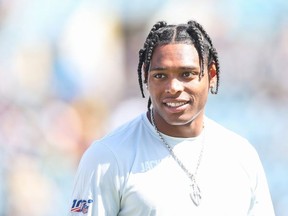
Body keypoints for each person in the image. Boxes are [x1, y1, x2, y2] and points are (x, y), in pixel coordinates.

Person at [68, 20, 275, 216]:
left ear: (211, 75)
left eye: (187, 74)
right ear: (145, 77)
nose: (173, 87)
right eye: (160, 75)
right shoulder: (106, 158)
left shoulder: (241, 155)